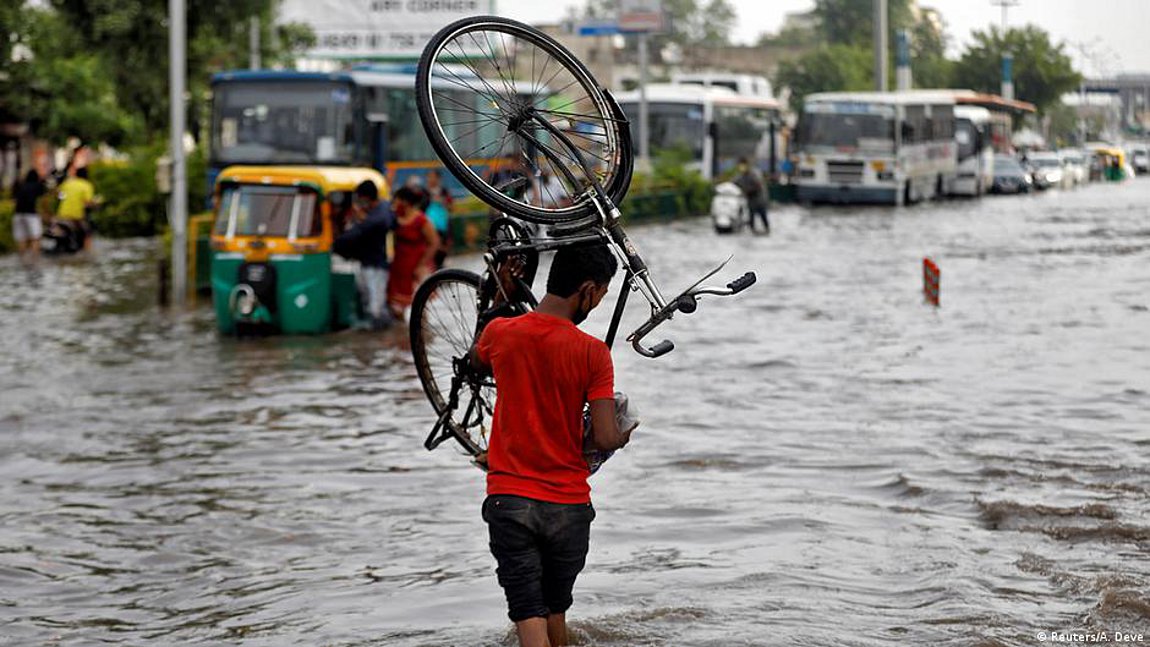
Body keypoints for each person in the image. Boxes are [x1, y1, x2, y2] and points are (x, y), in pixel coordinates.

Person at [470, 244, 635, 647]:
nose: (597, 304)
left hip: (510, 501)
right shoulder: (593, 353)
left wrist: (498, 299)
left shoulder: (501, 333)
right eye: (602, 295)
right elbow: (605, 438)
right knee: (555, 611)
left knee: (529, 615)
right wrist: (624, 430)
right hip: (568, 508)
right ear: (588, 290)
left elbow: (474, 363)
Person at [333, 180, 394, 330]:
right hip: (366, 263)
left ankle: (382, 336)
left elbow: (356, 233)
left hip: (376, 265)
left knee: (375, 307)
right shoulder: (381, 210)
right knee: (368, 301)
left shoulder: (378, 216)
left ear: (366, 198)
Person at [386, 186, 439, 319]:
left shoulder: (421, 220)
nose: (394, 203)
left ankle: (421, 338)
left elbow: (434, 243)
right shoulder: (395, 218)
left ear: (405, 202)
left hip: (417, 267)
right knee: (396, 308)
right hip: (399, 267)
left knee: (421, 308)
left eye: (397, 200)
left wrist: (422, 264)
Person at [12, 156, 50, 264]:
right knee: (36, 238)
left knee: (22, 239)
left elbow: (14, 200)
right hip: (31, 214)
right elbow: (43, 201)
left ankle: (22, 259)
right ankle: (35, 260)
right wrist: (46, 214)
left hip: (17, 215)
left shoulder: (21, 186)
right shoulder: (38, 186)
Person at [55, 165, 97, 251]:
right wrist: (95, 204)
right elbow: (88, 202)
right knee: (87, 233)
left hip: (62, 214)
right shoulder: (86, 185)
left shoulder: (68, 183)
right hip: (76, 216)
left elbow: (59, 195)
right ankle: (87, 253)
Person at [425, 169, 454, 269]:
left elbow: (451, 206)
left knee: (442, 247)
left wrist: (442, 202)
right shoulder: (424, 193)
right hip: (429, 225)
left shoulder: (444, 191)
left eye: (433, 177)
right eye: (429, 177)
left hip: (442, 225)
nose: (430, 179)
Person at [733, 157, 769, 234]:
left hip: (759, 200)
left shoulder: (754, 174)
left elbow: (758, 185)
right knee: (751, 216)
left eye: (743, 165)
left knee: (763, 215)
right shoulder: (740, 176)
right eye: (740, 165)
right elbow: (733, 183)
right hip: (750, 201)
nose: (742, 167)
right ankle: (753, 231)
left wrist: (747, 191)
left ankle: (766, 230)